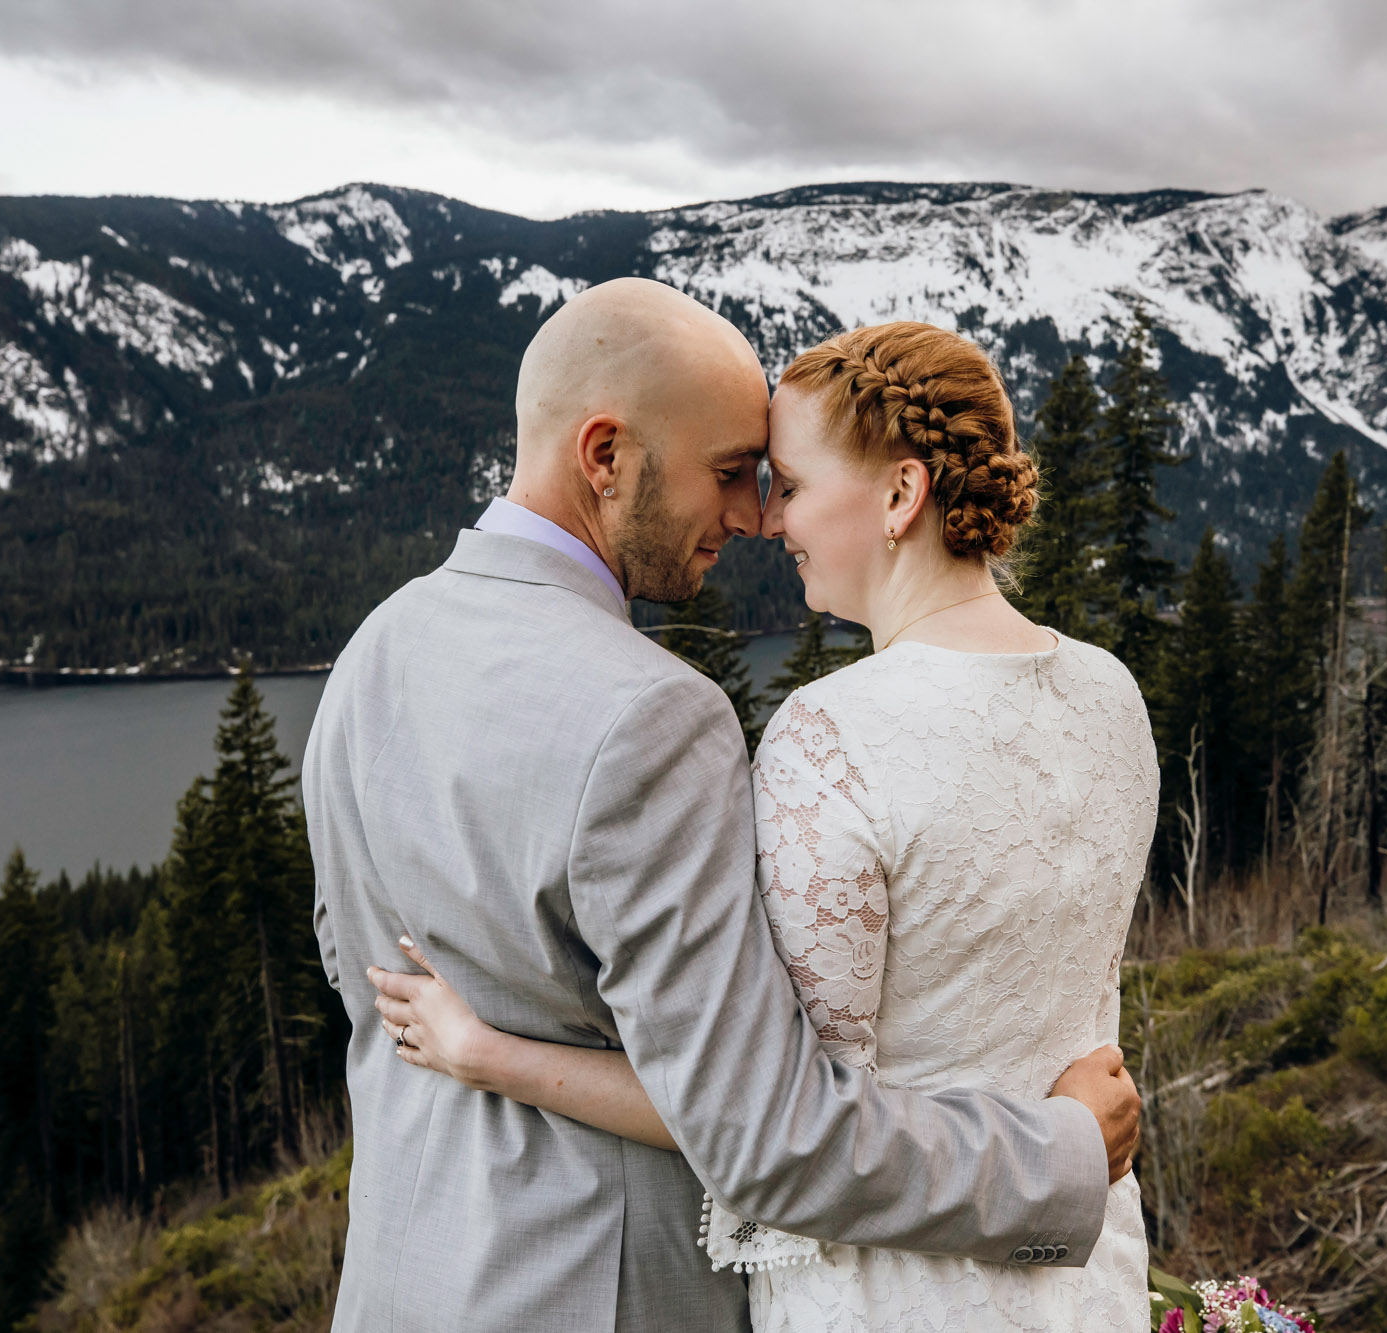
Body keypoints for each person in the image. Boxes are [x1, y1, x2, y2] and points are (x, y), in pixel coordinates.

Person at [307, 279, 1139, 1333]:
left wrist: (486, 1053)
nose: (751, 517)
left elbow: (356, 966)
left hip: (395, 1282)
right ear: (604, 455)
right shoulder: (651, 716)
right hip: (602, 1295)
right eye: (730, 474)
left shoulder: (374, 646)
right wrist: (1060, 1158)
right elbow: (762, 1130)